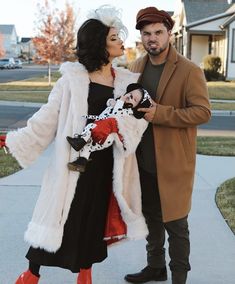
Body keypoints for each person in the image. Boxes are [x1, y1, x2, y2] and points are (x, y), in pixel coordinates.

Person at [5, 5, 149, 284]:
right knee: (57, 218)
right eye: (113, 38)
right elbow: (47, 117)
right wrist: (16, 139)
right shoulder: (72, 79)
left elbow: (137, 120)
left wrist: (117, 126)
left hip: (106, 165)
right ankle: (30, 275)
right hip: (71, 164)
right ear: (99, 46)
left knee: (93, 221)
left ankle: (85, 275)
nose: (121, 41)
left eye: (119, 36)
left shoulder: (127, 83)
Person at [124, 6, 211, 284]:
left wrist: (160, 113)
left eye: (158, 32)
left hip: (173, 162)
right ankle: (155, 267)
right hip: (142, 160)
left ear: (169, 33)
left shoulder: (189, 70)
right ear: (141, 36)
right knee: (151, 218)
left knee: (176, 223)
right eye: (147, 33)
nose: (153, 39)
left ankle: (179, 277)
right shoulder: (136, 66)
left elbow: (202, 112)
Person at [66, 83, 152, 172]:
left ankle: (80, 141)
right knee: (88, 147)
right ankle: (81, 163)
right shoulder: (119, 102)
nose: (129, 97)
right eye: (130, 94)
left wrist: (120, 102)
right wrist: (112, 102)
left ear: (136, 106)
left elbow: (115, 114)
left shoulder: (127, 111)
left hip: (106, 135)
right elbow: (109, 103)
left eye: (134, 99)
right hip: (101, 129)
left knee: (91, 126)